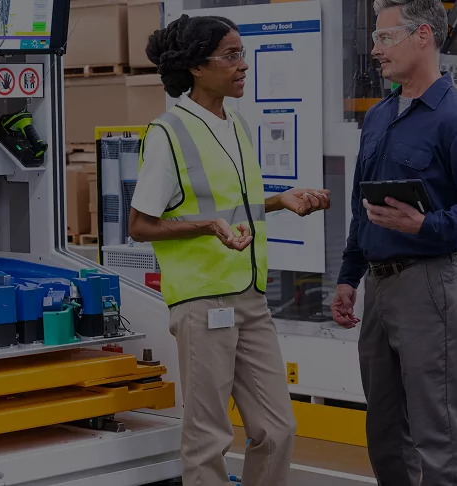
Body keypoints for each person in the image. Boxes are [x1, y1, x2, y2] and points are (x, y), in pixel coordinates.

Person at [128, 14, 332, 486]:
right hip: (202, 302)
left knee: (278, 429)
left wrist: (279, 200)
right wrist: (207, 225)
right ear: (198, 67)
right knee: (208, 438)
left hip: (249, 295)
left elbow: (232, 205)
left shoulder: (234, 124)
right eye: (232, 55)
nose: (244, 65)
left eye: (244, 54)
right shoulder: (168, 133)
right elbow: (139, 225)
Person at [331, 1, 457, 485]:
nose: (374, 49)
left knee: (438, 436)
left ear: (423, 36)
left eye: (385, 38)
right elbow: (361, 207)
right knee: (386, 434)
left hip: (428, 287)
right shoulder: (380, 116)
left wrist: (425, 225)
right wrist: (349, 277)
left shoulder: (456, 118)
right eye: (375, 37)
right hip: (378, 287)